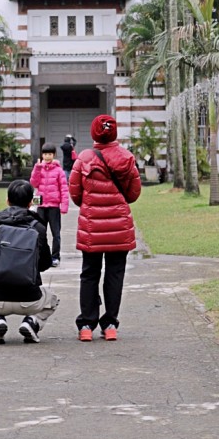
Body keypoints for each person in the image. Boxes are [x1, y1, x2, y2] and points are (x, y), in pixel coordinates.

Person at [69, 114, 141, 342]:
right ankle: (110, 323)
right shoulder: (127, 157)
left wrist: (91, 205)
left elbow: (75, 194)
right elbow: (133, 193)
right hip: (119, 225)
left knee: (89, 274)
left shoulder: (84, 158)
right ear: (114, 132)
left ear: (93, 133)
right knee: (115, 274)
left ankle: (87, 325)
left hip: (92, 226)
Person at [0, 178, 59, 344]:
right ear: (31, 202)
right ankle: (33, 322)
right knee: (52, 299)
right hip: (30, 299)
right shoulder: (38, 227)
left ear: (7, 201)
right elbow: (45, 263)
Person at [30, 143, 69, 265]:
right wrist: (37, 168)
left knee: (55, 233)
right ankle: (42, 256)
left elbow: (64, 188)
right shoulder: (39, 168)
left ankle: (55, 257)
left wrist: (64, 206)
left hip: (53, 207)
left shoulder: (59, 171)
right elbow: (34, 183)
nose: (47, 156)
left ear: (54, 155)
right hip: (41, 206)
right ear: (42, 155)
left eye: (50, 154)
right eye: (45, 154)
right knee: (40, 232)